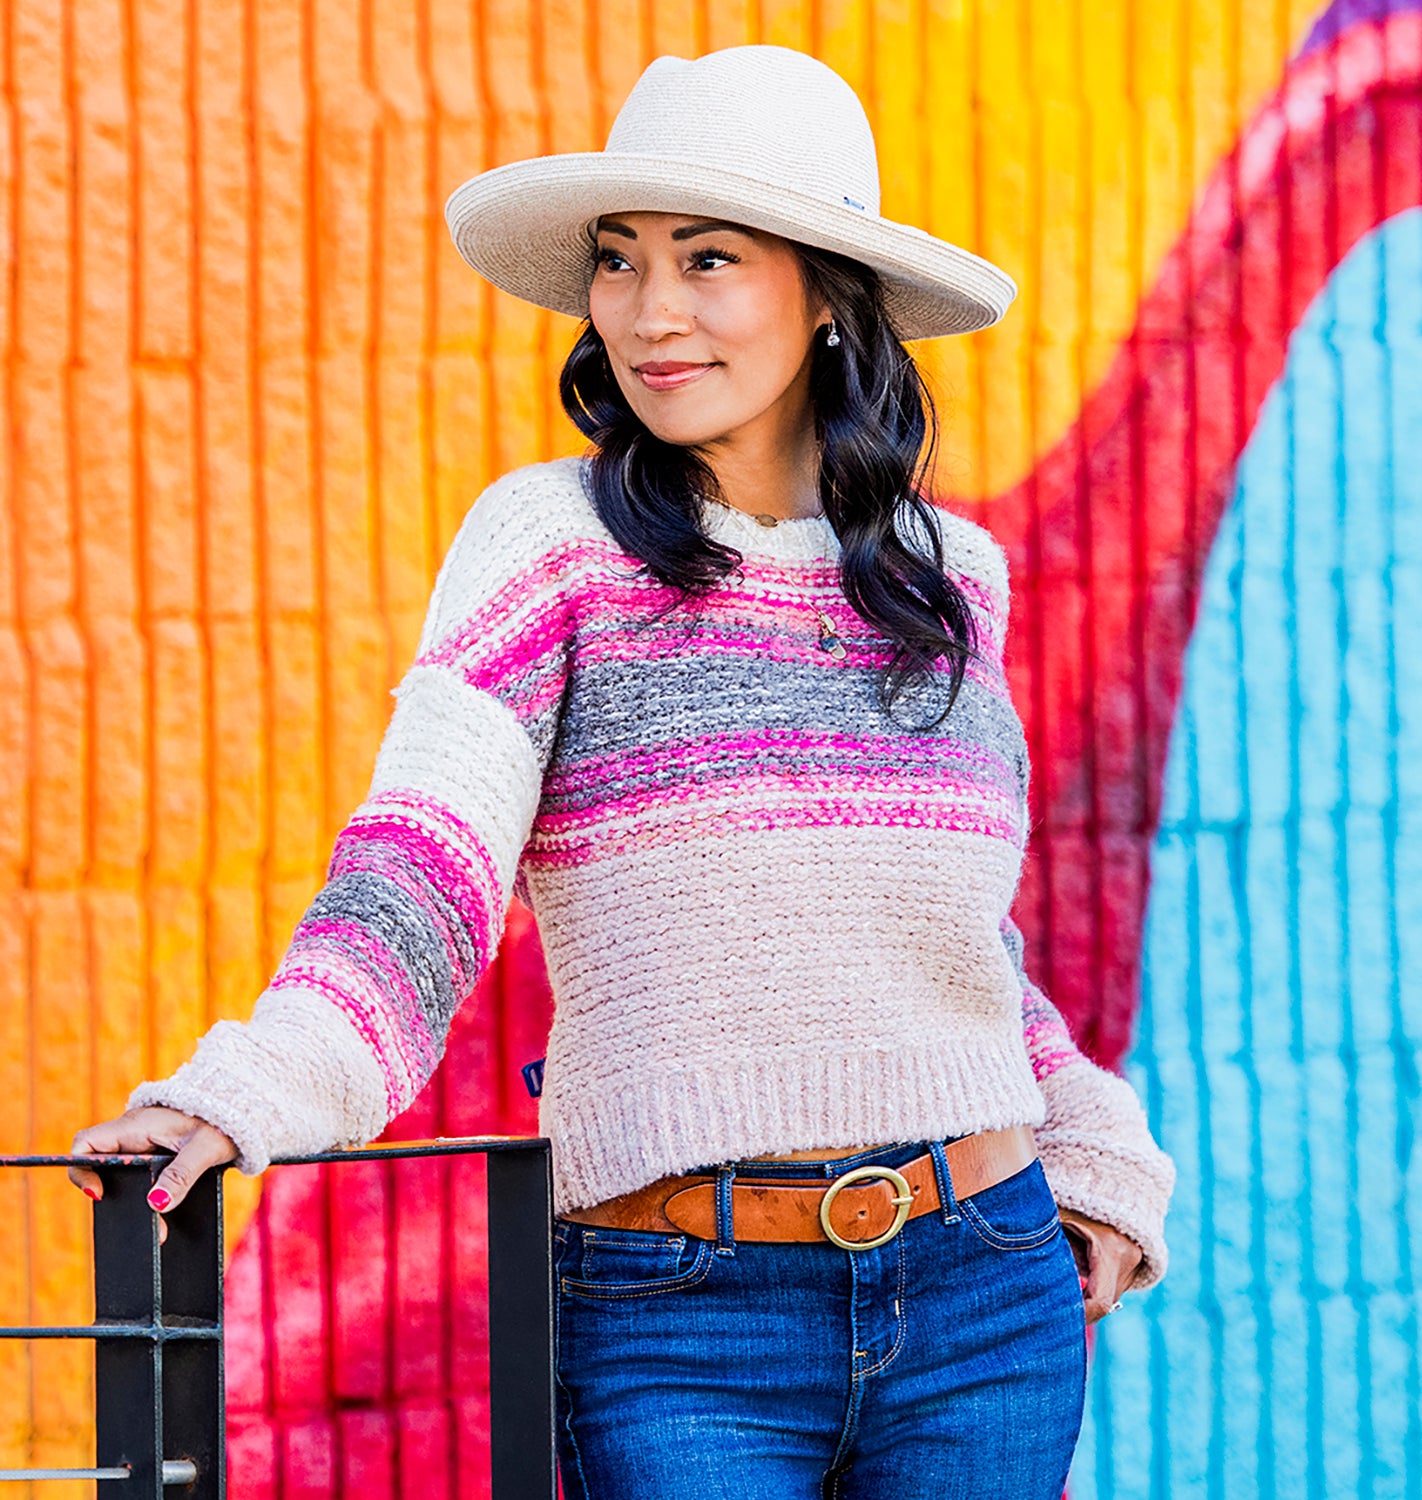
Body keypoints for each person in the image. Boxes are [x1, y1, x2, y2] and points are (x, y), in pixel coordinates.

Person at [69, 44, 1175, 1498]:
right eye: (619, 259)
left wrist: (1093, 1146)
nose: (652, 312)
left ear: (826, 294)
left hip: (985, 1294)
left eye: (708, 259)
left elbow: (946, 945)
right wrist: (249, 1093)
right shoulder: (552, 547)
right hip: (678, 1316)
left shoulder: (946, 575)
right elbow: (420, 873)